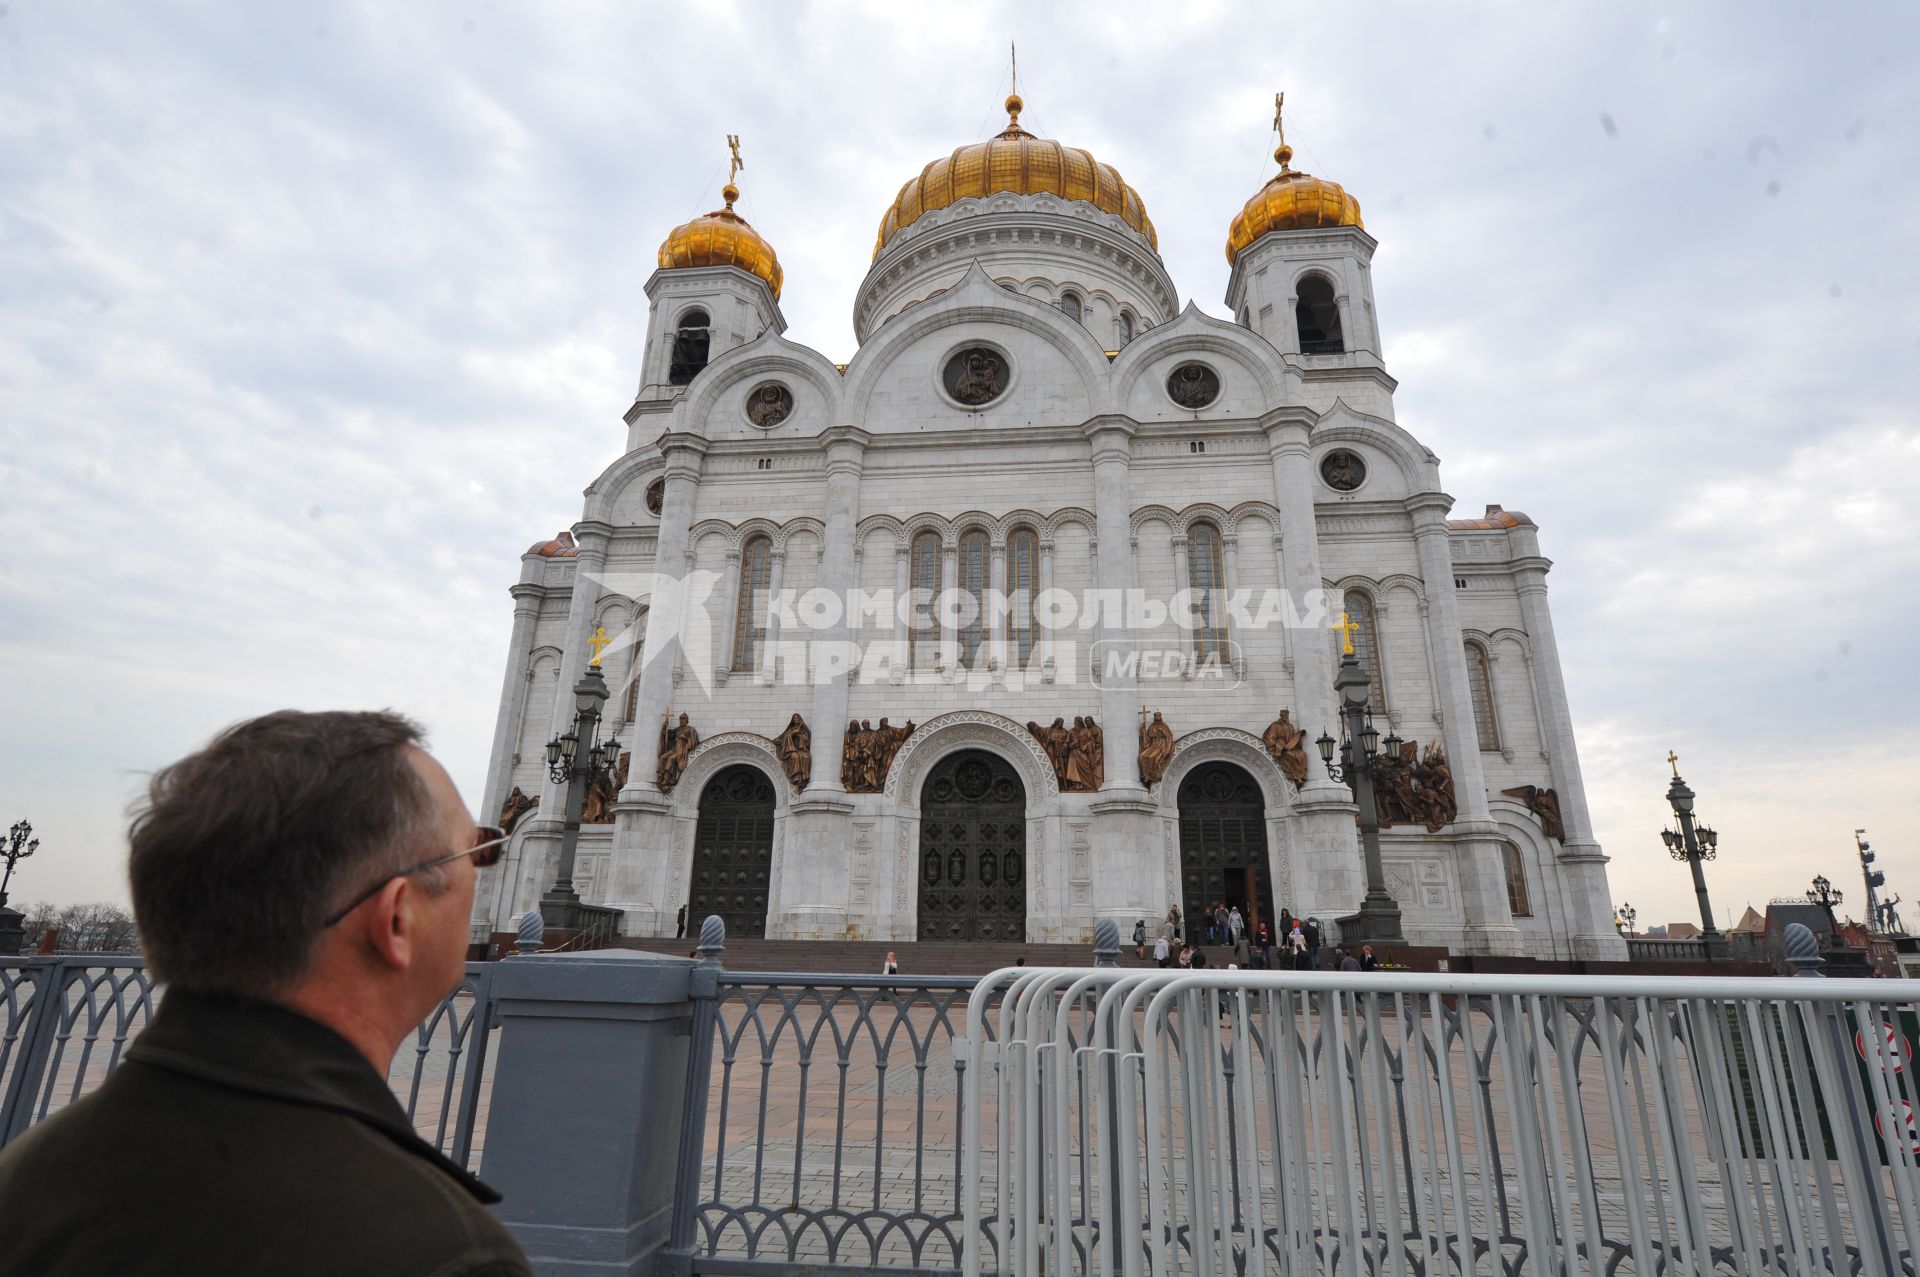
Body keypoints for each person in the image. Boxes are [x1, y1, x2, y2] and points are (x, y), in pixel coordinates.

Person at [0, 710, 534, 1276]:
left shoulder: (25, 1175)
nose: (480, 875)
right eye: (477, 851)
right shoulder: (446, 1252)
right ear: (397, 919)